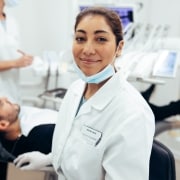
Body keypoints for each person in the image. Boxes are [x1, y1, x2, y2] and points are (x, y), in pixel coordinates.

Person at [14, 7, 155, 180]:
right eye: (80, 38)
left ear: (119, 47)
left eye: (101, 39)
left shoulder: (133, 113)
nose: (88, 49)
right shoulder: (75, 90)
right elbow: (74, 146)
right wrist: (50, 159)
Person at [0, 97, 57, 179]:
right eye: (1, 104)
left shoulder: (24, 115)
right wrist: (49, 159)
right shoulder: (38, 135)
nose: (5, 98)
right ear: (3, 124)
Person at [0, 0, 33, 104]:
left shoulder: (12, 22)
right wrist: (15, 63)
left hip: (13, 85)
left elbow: (14, 49)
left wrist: (25, 59)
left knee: (15, 113)